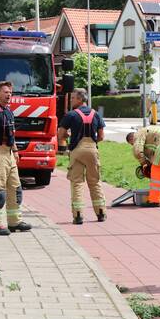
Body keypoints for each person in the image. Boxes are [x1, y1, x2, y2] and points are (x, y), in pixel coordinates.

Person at [0, 80, 31, 236]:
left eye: (10, 92)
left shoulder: (9, 111)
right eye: (5, 91)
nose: (8, 94)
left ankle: (14, 222)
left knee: (15, 189)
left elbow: (11, 134)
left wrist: (15, 151)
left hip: (9, 153)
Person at [58, 88, 106, 224]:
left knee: (77, 183)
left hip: (77, 151)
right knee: (95, 182)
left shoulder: (71, 115)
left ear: (79, 99)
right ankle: (101, 213)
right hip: (92, 150)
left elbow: (60, 134)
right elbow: (101, 136)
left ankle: (78, 215)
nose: (71, 100)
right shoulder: (96, 114)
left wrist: (69, 136)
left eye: (73, 98)